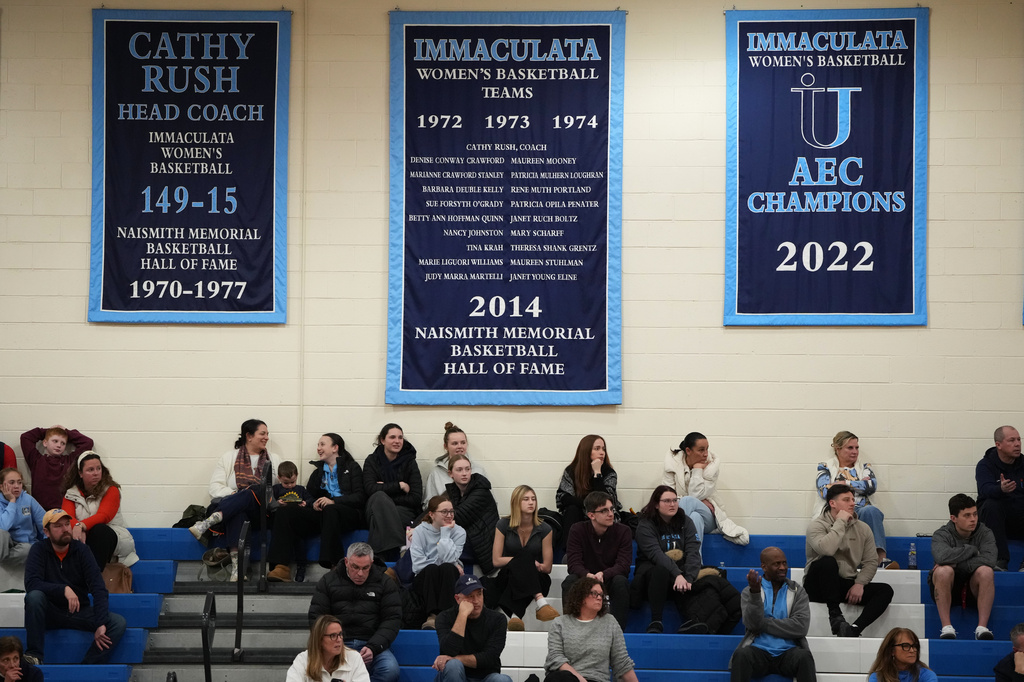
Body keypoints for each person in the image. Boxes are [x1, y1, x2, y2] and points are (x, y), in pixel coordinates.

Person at [23, 508, 126, 665]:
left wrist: (100, 622)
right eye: (58, 526)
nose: (65, 529)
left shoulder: (82, 550)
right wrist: (63, 589)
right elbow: (32, 583)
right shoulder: (38, 550)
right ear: (47, 531)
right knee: (34, 597)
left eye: (67, 524)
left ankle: (87, 667)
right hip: (50, 612)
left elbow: (98, 588)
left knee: (117, 623)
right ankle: (35, 655)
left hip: (79, 611)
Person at [189, 419, 282, 582]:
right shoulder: (229, 457)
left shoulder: (274, 459)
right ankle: (238, 570)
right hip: (235, 511)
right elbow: (215, 488)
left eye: (267, 434)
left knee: (254, 489)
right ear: (249, 436)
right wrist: (236, 494)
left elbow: (279, 488)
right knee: (239, 512)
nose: (267, 437)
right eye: (263, 433)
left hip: (262, 513)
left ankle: (207, 523)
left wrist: (246, 492)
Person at [269, 434, 366, 580]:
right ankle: (281, 567)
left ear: (335, 448)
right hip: (324, 514)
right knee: (285, 511)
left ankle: (334, 566)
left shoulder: (352, 467)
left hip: (347, 513)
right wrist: (311, 503)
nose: (318, 448)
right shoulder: (317, 473)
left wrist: (334, 501)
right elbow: (310, 497)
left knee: (330, 509)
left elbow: (360, 497)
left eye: (322, 444)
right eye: (318, 445)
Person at [804, 483, 894, 637]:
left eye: (853, 499)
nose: (853, 503)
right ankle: (835, 616)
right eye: (846, 500)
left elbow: (871, 561)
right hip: (818, 585)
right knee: (827, 561)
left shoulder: (863, 528)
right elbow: (827, 550)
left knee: (885, 590)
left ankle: (854, 629)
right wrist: (840, 522)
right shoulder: (816, 526)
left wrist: (859, 583)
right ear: (832, 503)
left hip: (844, 583)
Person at [308, 542, 402, 682]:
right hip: (337, 642)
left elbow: (392, 620)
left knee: (390, 670)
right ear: (346, 562)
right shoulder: (328, 581)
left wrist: (373, 647)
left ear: (371, 563)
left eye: (365, 568)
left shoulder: (385, 583)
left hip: (371, 643)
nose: (360, 573)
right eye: (355, 567)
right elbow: (317, 618)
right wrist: (334, 643)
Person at [729, 547, 815, 682]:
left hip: (788, 653)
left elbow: (800, 627)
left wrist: (763, 623)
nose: (782, 567)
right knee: (741, 655)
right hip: (759, 652)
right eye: (777, 564)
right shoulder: (749, 592)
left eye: (784, 563)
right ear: (764, 567)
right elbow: (751, 624)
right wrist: (756, 595)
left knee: (804, 657)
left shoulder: (798, 591)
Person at [815, 431, 895, 569]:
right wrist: (859, 483)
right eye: (850, 448)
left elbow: (871, 486)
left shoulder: (865, 467)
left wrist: (842, 483)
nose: (855, 452)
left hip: (861, 510)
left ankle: (880, 559)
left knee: (871, 511)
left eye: (857, 448)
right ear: (838, 449)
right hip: (836, 511)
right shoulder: (825, 467)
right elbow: (824, 491)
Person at [631, 484, 703, 634]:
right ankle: (656, 621)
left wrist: (688, 578)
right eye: (667, 501)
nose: (672, 504)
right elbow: (656, 554)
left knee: (689, 570)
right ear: (656, 504)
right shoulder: (645, 524)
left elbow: (693, 551)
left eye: (675, 500)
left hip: (677, 574)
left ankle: (690, 621)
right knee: (663, 570)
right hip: (650, 575)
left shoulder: (685, 521)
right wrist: (678, 574)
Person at [663, 432, 750, 556]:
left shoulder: (711, 466)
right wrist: (695, 501)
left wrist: (697, 470)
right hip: (688, 515)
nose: (705, 454)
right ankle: (695, 563)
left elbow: (694, 495)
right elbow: (666, 496)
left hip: (709, 517)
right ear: (688, 450)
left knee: (688, 501)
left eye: (707, 449)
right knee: (694, 517)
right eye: (701, 450)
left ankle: (672, 538)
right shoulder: (672, 465)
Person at [488, 484, 558, 630]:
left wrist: (528, 564)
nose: (531, 502)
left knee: (526, 564)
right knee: (525, 556)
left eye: (533, 499)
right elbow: (496, 560)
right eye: (526, 499)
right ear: (516, 502)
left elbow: (547, 567)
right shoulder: (503, 524)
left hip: (537, 578)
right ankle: (540, 602)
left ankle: (515, 617)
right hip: (508, 577)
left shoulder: (545, 528)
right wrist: (527, 561)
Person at [543, 577, 638, 682]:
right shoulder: (560, 623)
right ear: (580, 596)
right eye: (594, 593)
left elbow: (621, 662)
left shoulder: (610, 622)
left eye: (601, 595)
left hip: (597, 679)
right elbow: (556, 658)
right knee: (559, 678)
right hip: (568, 678)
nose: (599, 598)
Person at [929, 493, 996, 640]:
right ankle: (946, 628)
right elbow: (941, 557)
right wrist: (971, 550)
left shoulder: (985, 532)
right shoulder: (941, 534)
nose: (973, 519)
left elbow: (990, 559)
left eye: (975, 514)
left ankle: (982, 628)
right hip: (947, 586)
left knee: (986, 571)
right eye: (967, 515)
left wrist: (957, 562)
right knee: (943, 571)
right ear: (954, 518)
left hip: (973, 586)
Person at [563, 491, 632, 630]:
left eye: (612, 509)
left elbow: (623, 565)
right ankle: (570, 628)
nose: (611, 514)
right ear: (591, 515)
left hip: (609, 578)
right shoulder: (577, 530)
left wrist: (603, 574)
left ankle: (617, 631)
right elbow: (573, 563)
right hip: (586, 577)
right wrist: (588, 576)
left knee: (621, 582)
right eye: (604, 511)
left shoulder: (623, 531)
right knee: (570, 581)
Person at [60, 451, 139, 571]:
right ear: (80, 473)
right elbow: (67, 518)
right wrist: (77, 526)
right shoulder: (71, 493)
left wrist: (80, 526)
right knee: (61, 534)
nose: (96, 473)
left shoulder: (111, 489)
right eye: (90, 470)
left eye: (98, 468)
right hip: (83, 538)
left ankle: (92, 579)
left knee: (99, 530)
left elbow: (104, 516)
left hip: (113, 537)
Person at [433, 574, 511, 682]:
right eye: (470, 596)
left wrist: (457, 658)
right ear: (457, 599)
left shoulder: (498, 619)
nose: (476, 601)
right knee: (453, 666)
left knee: (502, 680)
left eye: (479, 594)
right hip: (455, 675)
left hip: (485, 677)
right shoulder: (444, 617)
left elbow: (490, 658)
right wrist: (462, 615)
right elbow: (448, 650)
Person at [363, 423, 422, 560]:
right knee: (378, 497)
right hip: (375, 506)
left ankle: (378, 558)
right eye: (392, 437)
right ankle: (402, 545)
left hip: (403, 511)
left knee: (379, 508)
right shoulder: (372, 461)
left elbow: (415, 498)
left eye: (400, 437)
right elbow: (370, 489)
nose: (397, 441)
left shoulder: (410, 462)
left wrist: (386, 495)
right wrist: (398, 486)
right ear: (382, 440)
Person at [411, 495, 466, 630]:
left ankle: (446, 616)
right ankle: (433, 616)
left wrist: (445, 533)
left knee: (447, 568)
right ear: (431, 514)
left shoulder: (459, 532)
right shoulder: (419, 531)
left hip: (448, 576)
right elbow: (417, 565)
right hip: (425, 579)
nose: (449, 515)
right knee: (432, 569)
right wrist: (453, 563)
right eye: (444, 512)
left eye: (451, 511)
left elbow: (448, 560)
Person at [976, 425, 1024, 571]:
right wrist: (1000, 489)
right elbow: (984, 490)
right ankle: (1000, 560)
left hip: (1019, 519)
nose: (1017, 444)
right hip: (996, 523)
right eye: (1011, 440)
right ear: (999, 445)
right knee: (991, 504)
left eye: (1019, 439)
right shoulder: (985, 465)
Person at [556, 435, 621, 535]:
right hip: (579, 512)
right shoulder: (572, 470)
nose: (602, 452)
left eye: (603, 449)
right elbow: (563, 498)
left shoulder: (609, 473)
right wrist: (588, 505)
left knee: (602, 513)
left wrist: (597, 473)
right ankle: (570, 550)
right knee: (572, 510)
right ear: (586, 451)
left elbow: (606, 501)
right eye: (597, 448)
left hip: (603, 513)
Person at [445, 453, 498, 574]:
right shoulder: (454, 491)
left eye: (467, 469)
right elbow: (434, 509)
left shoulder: (481, 491)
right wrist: (416, 527)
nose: (464, 473)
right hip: (469, 540)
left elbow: (458, 516)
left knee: (436, 546)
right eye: (459, 470)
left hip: (483, 546)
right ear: (450, 474)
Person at [20, 426, 93, 511]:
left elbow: (88, 443)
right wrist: (48, 431)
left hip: (63, 510)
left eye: (63, 443)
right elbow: (25, 437)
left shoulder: (69, 461)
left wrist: (67, 432)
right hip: (39, 510)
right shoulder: (36, 460)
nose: (59, 445)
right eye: (55, 441)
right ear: (45, 443)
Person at [286, 614, 370, 682]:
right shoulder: (303, 660)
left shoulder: (354, 657)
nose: (339, 639)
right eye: (333, 636)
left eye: (340, 634)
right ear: (319, 639)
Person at [424, 423, 490, 506]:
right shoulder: (436, 473)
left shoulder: (478, 470)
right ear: (446, 446)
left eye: (463, 442)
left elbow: (489, 501)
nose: (460, 446)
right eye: (455, 443)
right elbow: (428, 504)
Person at [0, 469, 45, 588]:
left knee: (28, 549)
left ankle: (3, 563)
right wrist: (12, 502)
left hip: (23, 546)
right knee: (1, 533)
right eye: (11, 482)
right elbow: (4, 527)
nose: (16, 486)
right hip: (4, 544)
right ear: (1, 486)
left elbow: (45, 523)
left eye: (19, 482)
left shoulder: (28, 499)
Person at [866, 628, 937, 682]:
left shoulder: (927, 675)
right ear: (891, 650)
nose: (912, 650)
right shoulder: (877, 677)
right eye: (905, 646)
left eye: (914, 646)